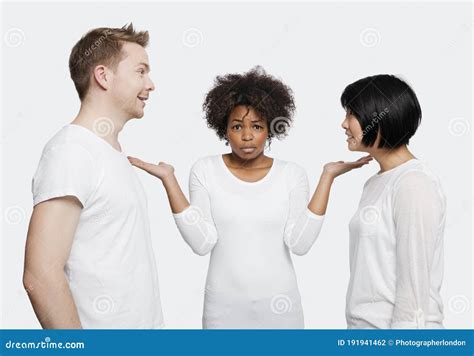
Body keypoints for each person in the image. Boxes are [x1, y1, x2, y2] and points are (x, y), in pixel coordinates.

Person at [128, 67, 371, 328]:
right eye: (236, 126)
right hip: (223, 313)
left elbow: (300, 244)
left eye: (256, 126)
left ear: (270, 129)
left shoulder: (291, 174)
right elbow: (202, 242)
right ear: (224, 128)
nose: (246, 136)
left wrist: (328, 176)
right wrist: (169, 180)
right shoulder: (206, 170)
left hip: (281, 313)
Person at [23, 24, 164, 329]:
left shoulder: (110, 153)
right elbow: (40, 276)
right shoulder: (71, 152)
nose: (150, 84)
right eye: (140, 71)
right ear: (103, 76)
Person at [341, 74, 446, 329]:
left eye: (352, 113)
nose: (344, 124)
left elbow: (414, 284)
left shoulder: (413, 183)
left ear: (379, 118)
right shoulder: (376, 182)